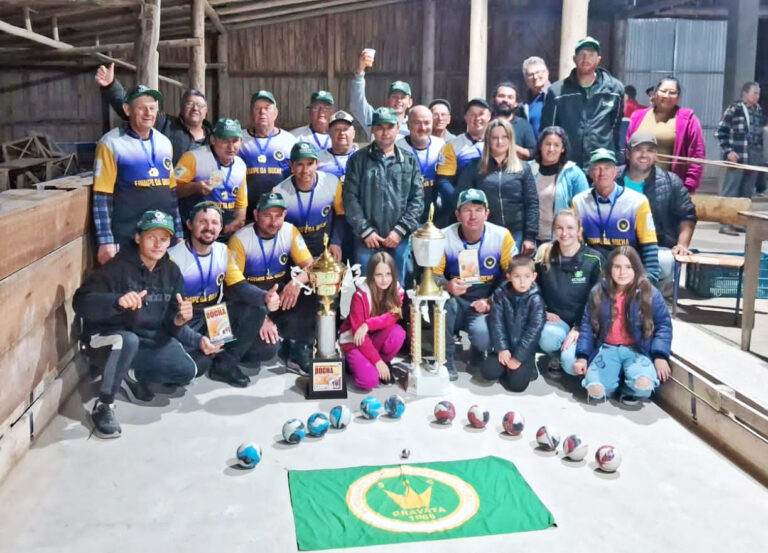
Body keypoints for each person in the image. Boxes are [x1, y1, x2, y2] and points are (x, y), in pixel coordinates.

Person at [73, 210, 209, 438]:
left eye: (163, 238)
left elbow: (171, 324)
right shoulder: (117, 266)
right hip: (105, 338)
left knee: (187, 371)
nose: (158, 244)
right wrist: (116, 302)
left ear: (170, 241)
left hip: (145, 340)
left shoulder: (172, 272)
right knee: (127, 340)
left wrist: (181, 321)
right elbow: (81, 302)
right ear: (138, 238)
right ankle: (104, 406)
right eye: (151, 237)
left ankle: (130, 372)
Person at [168, 202, 280, 387]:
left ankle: (225, 364)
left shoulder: (223, 251)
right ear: (189, 224)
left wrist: (265, 297)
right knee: (196, 366)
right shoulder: (173, 258)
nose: (209, 227)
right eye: (202, 222)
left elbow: (240, 286)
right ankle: (207, 350)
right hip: (186, 320)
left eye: (214, 222)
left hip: (213, 315)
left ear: (221, 227)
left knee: (267, 348)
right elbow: (168, 311)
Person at [92, 85, 183, 265]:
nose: (148, 113)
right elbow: (102, 197)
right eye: (142, 108)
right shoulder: (111, 143)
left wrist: (178, 233)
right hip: (127, 235)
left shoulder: (164, 143)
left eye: (152, 108)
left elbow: (172, 194)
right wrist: (105, 240)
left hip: (162, 235)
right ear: (127, 110)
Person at [225, 192, 315, 372]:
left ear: (285, 215)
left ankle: (299, 346)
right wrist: (261, 317)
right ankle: (230, 351)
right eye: (267, 216)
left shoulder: (289, 231)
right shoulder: (240, 240)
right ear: (256, 215)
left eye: (278, 216)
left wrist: (297, 282)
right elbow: (234, 288)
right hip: (250, 304)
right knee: (266, 351)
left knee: (315, 288)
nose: (273, 222)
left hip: (278, 299)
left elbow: (311, 266)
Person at [434, 189, 518, 381]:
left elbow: (514, 277)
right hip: (456, 299)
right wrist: (447, 286)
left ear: (487, 213)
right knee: (445, 306)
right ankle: (445, 358)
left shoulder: (501, 236)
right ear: (457, 214)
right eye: (467, 210)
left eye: (478, 210)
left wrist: (491, 300)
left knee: (483, 336)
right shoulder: (443, 236)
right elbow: (433, 276)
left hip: (485, 299)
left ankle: (479, 348)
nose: (473, 216)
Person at [573, 246, 672, 405]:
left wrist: (660, 355)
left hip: (636, 351)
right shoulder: (598, 292)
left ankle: (628, 388)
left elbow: (664, 325)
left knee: (644, 386)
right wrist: (583, 356)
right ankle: (611, 385)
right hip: (607, 348)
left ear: (637, 269)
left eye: (628, 267)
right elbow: (587, 325)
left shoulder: (649, 293)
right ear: (610, 268)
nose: (622, 272)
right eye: (617, 267)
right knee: (596, 391)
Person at [343, 107, 424, 285]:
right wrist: (365, 231)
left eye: (390, 127)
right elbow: (349, 199)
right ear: (373, 129)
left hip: (398, 240)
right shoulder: (358, 160)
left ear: (398, 127)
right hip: (367, 241)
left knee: (397, 291)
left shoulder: (409, 161)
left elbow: (417, 201)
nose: (385, 132)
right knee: (365, 290)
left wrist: (399, 231)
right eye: (380, 127)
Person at [619, 132, 696, 290]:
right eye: (638, 150)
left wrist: (682, 244)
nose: (644, 155)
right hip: (616, 245)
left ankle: (653, 297)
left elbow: (687, 215)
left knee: (666, 261)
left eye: (649, 150)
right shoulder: (614, 178)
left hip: (656, 247)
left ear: (656, 155)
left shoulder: (671, 181)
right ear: (627, 154)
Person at [95, 62, 211, 164]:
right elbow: (132, 110)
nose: (195, 108)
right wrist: (111, 86)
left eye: (200, 106)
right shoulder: (165, 123)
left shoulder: (214, 135)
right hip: (171, 187)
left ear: (206, 112)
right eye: (190, 104)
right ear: (181, 107)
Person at [572, 148, 660, 282]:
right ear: (590, 173)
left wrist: (649, 277)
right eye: (597, 168)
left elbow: (649, 245)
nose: (602, 173)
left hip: (627, 270)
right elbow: (576, 242)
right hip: (595, 270)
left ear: (615, 172)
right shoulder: (578, 202)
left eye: (607, 168)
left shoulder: (638, 202)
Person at [455, 118, 538, 255]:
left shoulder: (523, 168)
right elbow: (461, 200)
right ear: (488, 140)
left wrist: (530, 237)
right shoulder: (474, 167)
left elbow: (532, 204)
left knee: (514, 274)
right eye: (495, 138)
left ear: (510, 140)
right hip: (486, 234)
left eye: (504, 137)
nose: (499, 142)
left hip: (517, 234)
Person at [535, 209, 602, 375]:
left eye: (570, 228)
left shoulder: (594, 259)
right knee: (548, 336)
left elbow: (599, 300)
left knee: (571, 365)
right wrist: (543, 310)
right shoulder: (545, 255)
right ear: (553, 230)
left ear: (579, 231)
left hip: (583, 323)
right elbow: (532, 288)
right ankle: (555, 354)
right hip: (557, 322)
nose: (564, 233)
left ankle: (572, 354)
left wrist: (580, 327)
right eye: (559, 228)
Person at [541, 36, 624, 167]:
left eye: (591, 55)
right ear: (574, 59)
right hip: (568, 165)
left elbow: (615, 129)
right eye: (582, 54)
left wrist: (615, 160)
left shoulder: (614, 90)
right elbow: (548, 131)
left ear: (598, 60)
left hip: (601, 166)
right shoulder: (556, 92)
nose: (586, 59)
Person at [626, 76, 706, 193]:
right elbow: (627, 148)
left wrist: (689, 187)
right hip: (636, 185)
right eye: (663, 91)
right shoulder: (637, 116)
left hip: (670, 189)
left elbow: (697, 155)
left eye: (672, 93)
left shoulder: (688, 120)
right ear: (655, 94)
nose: (667, 96)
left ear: (678, 97)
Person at [339, 252, 406, 390]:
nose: (385, 280)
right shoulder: (359, 296)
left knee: (398, 333)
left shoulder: (397, 291)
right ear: (371, 276)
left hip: (375, 336)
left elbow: (392, 318)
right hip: (356, 342)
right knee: (369, 381)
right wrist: (376, 361)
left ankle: (383, 363)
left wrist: (368, 324)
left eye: (388, 274)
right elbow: (360, 337)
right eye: (379, 275)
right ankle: (359, 364)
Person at [174, 118, 248, 239]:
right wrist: (194, 188)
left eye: (235, 141)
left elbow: (241, 204)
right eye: (225, 141)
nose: (231, 146)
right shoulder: (191, 157)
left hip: (227, 233)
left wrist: (238, 223)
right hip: (197, 232)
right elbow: (170, 190)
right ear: (213, 140)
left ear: (241, 142)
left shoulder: (241, 165)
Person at [272, 141, 345, 260]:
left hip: (326, 247)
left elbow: (341, 215)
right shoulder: (278, 192)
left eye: (310, 164)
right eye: (300, 164)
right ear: (291, 165)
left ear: (317, 164)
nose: (305, 170)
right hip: (294, 251)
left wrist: (336, 242)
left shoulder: (331, 182)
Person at [484, 255, 545, 392]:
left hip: (523, 351)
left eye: (527, 276)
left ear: (534, 277)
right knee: (488, 372)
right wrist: (502, 348)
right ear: (509, 276)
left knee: (517, 386)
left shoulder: (536, 300)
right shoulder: (500, 294)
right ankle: (506, 368)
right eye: (517, 276)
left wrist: (518, 357)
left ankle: (525, 367)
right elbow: (497, 321)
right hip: (506, 347)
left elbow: (533, 332)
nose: (522, 281)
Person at [716, 81, 765, 235]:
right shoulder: (735, 109)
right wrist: (728, 151)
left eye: (758, 93)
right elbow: (721, 131)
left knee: (746, 191)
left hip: (754, 154)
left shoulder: (758, 110)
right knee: (731, 190)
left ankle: (738, 221)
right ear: (745, 94)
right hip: (738, 154)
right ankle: (725, 223)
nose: (758, 96)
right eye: (754, 93)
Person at [239, 90, 297, 219]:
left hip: (280, 214)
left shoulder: (289, 141)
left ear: (275, 113)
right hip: (247, 213)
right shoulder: (239, 140)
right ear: (251, 113)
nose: (262, 112)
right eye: (257, 108)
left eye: (267, 108)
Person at [435, 98, 492, 223]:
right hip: (461, 210)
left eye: (481, 114)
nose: (477, 118)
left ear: (489, 116)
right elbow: (444, 181)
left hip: (492, 209)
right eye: (472, 114)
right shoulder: (452, 145)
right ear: (465, 117)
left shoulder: (498, 143)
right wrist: (459, 201)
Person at [530, 126, 589, 243]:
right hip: (532, 241)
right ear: (540, 146)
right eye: (547, 144)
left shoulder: (573, 173)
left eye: (556, 145)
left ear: (563, 148)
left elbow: (584, 209)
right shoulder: (528, 169)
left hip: (562, 240)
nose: (551, 149)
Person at [398, 105, 445, 221]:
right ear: (408, 125)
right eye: (417, 123)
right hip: (405, 214)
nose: (423, 127)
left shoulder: (441, 145)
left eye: (427, 123)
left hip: (434, 212)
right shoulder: (397, 147)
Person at [350, 49, 412, 138]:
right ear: (387, 101)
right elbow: (357, 104)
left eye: (402, 97)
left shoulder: (413, 126)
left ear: (410, 102)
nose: (398, 100)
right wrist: (360, 71)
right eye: (394, 97)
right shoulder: (375, 119)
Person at [490, 81, 536, 160]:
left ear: (516, 103)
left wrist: (511, 146)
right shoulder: (486, 123)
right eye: (501, 96)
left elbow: (532, 153)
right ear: (494, 99)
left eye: (510, 97)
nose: (505, 100)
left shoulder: (523, 125)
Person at [317, 110, 357, 182]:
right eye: (337, 129)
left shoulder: (362, 158)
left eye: (345, 129)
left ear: (353, 133)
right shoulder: (317, 160)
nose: (341, 133)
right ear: (329, 132)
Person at [521, 56, 551, 137]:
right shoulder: (523, 102)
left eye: (539, 72)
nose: (535, 77)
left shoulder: (555, 96)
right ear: (525, 78)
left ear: (547, 73)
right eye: (530, 74)